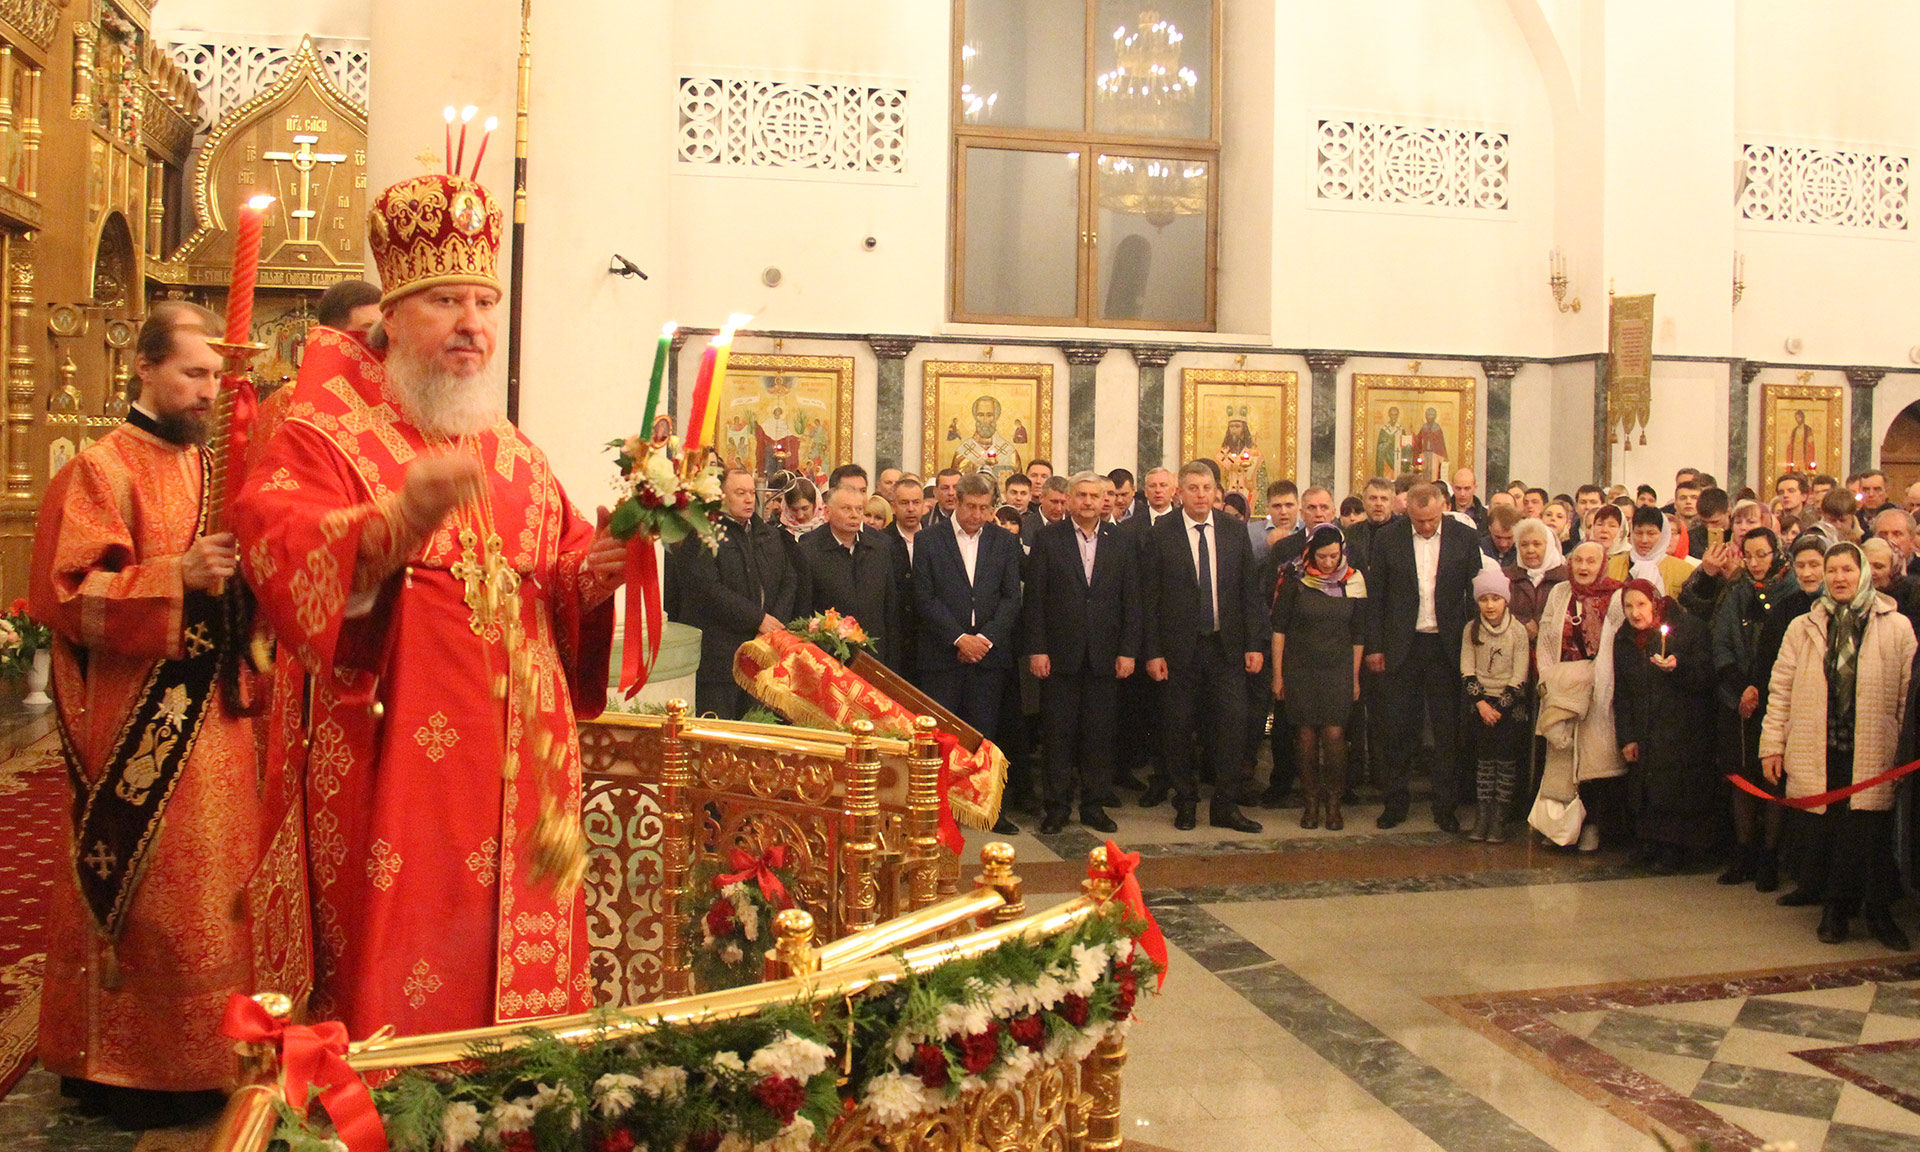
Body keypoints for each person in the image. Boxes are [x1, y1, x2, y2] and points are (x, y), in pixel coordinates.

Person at [234, 168, 623, 1039]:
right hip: (396, 759)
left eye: (484, 303)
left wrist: (591, 574)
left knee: (515, 978)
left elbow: (551, 576)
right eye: (447, 301)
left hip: (521, 773)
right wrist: (394, 523)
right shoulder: (323, 431)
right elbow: (276, 544)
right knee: (402, 958)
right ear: (394, 316)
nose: (472, 324)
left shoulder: (513, 450)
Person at [29, 303, 272, 1126]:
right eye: (193, 373)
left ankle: (213, 1055)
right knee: (145, 891)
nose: (208, 391)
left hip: (223, 722)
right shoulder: (100, 471)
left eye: (217, 377)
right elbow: (66, 594)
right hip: (141, 719)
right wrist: (175, 574)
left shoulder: (220, 470)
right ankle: (121, 1067)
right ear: (145, 367)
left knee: (220, 892)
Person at [1761, 543, 1915, 950]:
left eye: (1848, 569)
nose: (1839, 578)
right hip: (1821, 746)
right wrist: (1772, 745)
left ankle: (1876, 912)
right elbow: (1781, 690)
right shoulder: (1803, 626)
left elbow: (1906, 695)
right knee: (1828, 831)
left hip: (1874, 748)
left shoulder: (1896, 625)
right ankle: (1835, 909)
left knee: (1869, 833)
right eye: (1832, 571)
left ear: (1862, 573)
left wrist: (1904, 751)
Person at [1141, 460, 1268, 833]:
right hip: (1178, 650)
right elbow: (1149, 598)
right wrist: (1153, 651)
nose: (1200, 495)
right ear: (1179, 493)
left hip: (1226, 648)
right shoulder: (1161, 533)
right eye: (1193, 488)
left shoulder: (1233, 530)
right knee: (1178, 728)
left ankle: (1226, 804)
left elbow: (1249, 591)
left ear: (1216, 491)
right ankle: (1185, 801)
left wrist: (1253, 643)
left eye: (1207, 488)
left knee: (1232, 725)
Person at [1023, 472, 1140, 834]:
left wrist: (1128, 651)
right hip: (1059, 655)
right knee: (1058, 735)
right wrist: (1037, 649)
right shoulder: (1048, 539)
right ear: (1070, 499)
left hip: (1106, 654)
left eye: (1095, 496)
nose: (1088, 502)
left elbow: (1131, 600)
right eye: (1082, 495)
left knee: (1099, 735)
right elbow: (1035, 600)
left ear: (1105, 500)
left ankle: (1093, 805)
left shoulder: (1121, 541)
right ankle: (1057, 806)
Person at [1364, 483, 1485, 830]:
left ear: (1443, 507)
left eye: (1432, 519)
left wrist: (1475, 643)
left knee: (1447, 730)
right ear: (1407, 514)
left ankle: (1445, 806)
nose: (1427, 526)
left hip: (1447, 646)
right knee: (1399, 728)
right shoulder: (1388, 538)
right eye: (1419, 521)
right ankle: (1395, 802)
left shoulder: (1464, 537)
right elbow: (1377, 597)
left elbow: (1476, 592)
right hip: (1403, 645)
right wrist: (1375, 647)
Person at [671, 468, 802, 720]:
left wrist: (773, 625)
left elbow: (789, 580)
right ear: (721, 497)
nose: (749, 499)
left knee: (758, 727)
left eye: (752, 493)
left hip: (763, 652)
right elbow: (708, 590)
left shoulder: (767, 534)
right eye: (740, 493)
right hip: (720, 658)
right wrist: (758, 619)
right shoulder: (705, 534)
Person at [913, 472, 1023, 748]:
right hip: (942, 657)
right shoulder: (928, 539)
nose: (977, 515)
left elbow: (1011, 598)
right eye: (971, 506)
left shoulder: (1004, 541)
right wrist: (960, 639)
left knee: (981, 741)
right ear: (957, 502)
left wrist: (983, 641)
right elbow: (925, 598)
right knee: (938, 740)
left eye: (984, 508)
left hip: (988, 661)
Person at [1613, 579, 1714, 873]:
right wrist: (1627, 737)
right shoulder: (1625, 638)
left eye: (1641, 604)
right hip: (1644, 724)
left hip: (1680, 726)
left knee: (1673, 789)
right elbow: (1623, 692)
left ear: (1655, 603)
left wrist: (1678, 667)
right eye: (1628, 606)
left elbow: (1705, 676)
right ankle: (1650, 842)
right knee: (1645, 786)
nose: (1635, 613)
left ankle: (1674, 847)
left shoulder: (1687, 629)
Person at [1533, 541, 1628, 852]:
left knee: (1595, 763)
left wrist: (1601, 687)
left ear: (1602, 564)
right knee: (1561, 763)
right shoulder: (1560, 592)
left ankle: (1593, 827)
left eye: (1591, 561)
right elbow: (1546, 639)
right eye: (1578, 561)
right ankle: (1560, 827)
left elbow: (1617, 644)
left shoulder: (1616, 596)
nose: (1584, 567)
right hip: (1562, 688)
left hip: (1601, 688)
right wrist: (1548, 680)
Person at [1271, 524, 1366, 830]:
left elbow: (1358, 634)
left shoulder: (1353, 581)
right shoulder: (1295, 580)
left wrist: (1355, 677)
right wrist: (1278, 675)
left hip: (1338, 667)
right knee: (1306, 735)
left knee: (1335, 734)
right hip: (1300, 666)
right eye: (1322, 557)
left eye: (1334, 556)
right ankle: (1310, 802)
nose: (1328, 563)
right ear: (1311, 553)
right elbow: (1279, 629)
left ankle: (1334, 802)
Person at [1711, 527, 1791, 890]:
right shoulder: (1736, 592)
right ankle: (1743, 852)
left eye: (1763, 554)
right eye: (1749, 556)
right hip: (1738, 698)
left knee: (1773, 779)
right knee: (1741, 778)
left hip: (1776, 699)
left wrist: (1760, 688)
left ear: (1776, 554)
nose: (1756, 563)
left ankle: (1770, 856)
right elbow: (1722, 643)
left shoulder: (1791, 594)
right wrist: (1741, 686)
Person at [797, 485, 902, 666]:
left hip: (874, 655)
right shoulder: (809, 551)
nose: (854, 515)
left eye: (859, 509)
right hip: (828, 657)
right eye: (846, 509)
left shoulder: (879, 548)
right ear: (828, 512)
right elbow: (803, 610)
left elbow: (890, 608)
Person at [1460, 569, 1529, 843]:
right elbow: (1467, 669)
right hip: (1481, 705)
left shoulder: (1517, 631)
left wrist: (1499, 707)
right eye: (1484, 599)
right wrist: (1481, 705)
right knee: (1484, 763)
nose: (1490, 605)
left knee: (1506, 763)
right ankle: (1483, 817)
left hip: (1509, 707)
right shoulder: (1471, 629)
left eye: (1496, 599)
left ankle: (1499, 819)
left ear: (1506, 600)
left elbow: (1520, 675)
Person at [1504, 517, 1567, 640]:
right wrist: (1522, 624)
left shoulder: (1565, 578)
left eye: (1537, 544)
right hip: (1515, 643)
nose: (1530, 550)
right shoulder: (1506, 577)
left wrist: (1539, 624)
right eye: (1524, 545)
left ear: (1549, 546)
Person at [1608, 505, 1696, 594]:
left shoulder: (1684, 571)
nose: (1644, 540)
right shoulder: (1611, 566)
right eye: (1638, 533)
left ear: (1663, 536)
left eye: (1651, 534)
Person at [1248, 479, 1298, 562]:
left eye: (1289, 505)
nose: (1283, 512)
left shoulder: (1307, 530)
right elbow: (1244, 564)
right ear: (1267, 507)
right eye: (1277, 506)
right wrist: (1266, 545)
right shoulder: (1251, 532)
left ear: (1298, 505)